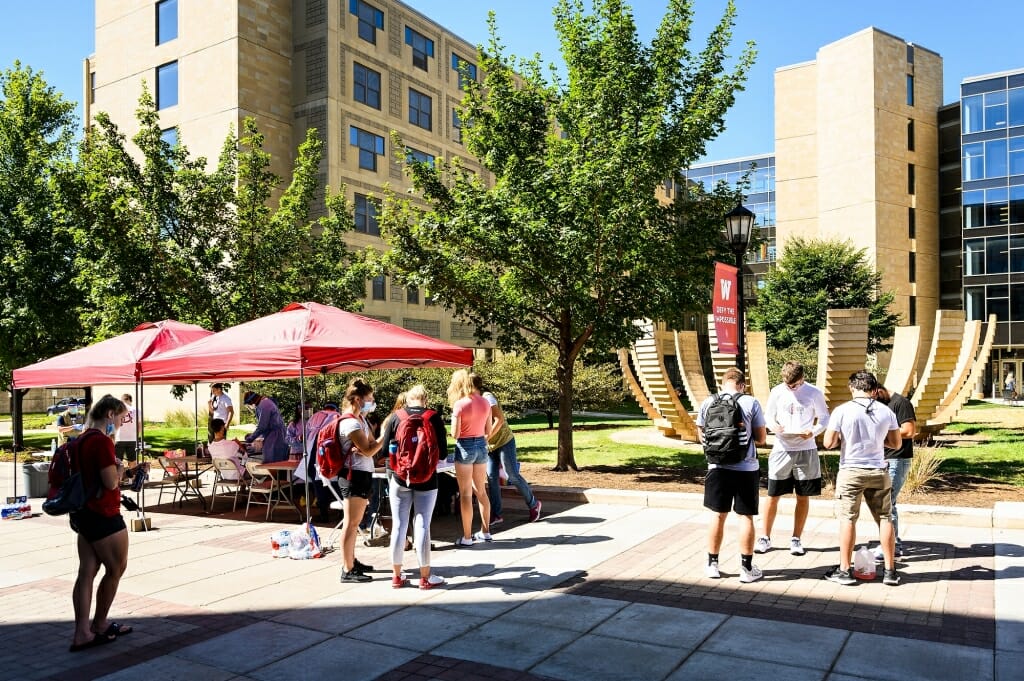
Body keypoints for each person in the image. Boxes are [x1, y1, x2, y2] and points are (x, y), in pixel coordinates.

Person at [822, 370, 902, 586]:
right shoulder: (886, 412)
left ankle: (845, 570)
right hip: (878, 470)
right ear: (874, 389)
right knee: (885, 518)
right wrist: (876, 441)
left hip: (851, 470)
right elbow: (896, 444)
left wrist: (844, 439)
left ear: (852, 388)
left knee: (848, 519)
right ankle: (890, 571)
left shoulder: (842, 411)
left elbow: (828, 443)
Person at [67, 394, 133, 652]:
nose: (119, 423)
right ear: (109, 414)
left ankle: (81, 632)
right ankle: (100, 624)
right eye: (119, 417)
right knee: (115, 570)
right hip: (105, 515)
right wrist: (120, 468)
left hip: (84, 515)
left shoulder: (81, 439)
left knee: (86, 573)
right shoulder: (101, 442)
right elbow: (110, 482)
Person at [695, 367, 767, 583]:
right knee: (745, 516)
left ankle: (712, 564)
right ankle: (746, 568)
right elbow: (761, 438)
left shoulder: (708, 402)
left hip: (717, 467)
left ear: (723, 383)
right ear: (742, 385)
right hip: (746, 468)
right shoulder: (751, 402)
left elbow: (702, 434)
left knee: (717, 515)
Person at [379, 384, 447, 589]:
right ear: (425, 399)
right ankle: (425, 577)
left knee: (399, 525)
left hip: (400, 477)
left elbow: (384, 451)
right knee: (423, 524)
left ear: (408, 400)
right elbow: (442, 453)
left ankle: (397, 576)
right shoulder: (433, 417)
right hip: (428, 478)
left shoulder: (396, 417)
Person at [758, 361, 830, 556]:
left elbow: (824, 418)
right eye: (788, 385)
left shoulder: (814, 392)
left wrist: (813, 431)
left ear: (802, 378)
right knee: (773, 495)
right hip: (782, 447)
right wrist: (773, 426)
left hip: (806, 448)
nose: (791, 388)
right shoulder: (777, 391)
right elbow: (768, 416)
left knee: (803, 495)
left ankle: (796, 538)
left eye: (795, 385)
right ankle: (765, 536)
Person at [473, 375, 541, 526]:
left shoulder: (487, 397)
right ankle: (496, 515)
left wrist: (486, 436)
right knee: (492, 478)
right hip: (490, 446)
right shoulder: (474, 401)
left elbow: (499, 420)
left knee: (512, 475)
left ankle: (534, 504)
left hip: (504, 441)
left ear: (473, 386)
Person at [332, 378, 382, 583]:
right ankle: (347, 568)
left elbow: (369, 446)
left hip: (361, 474)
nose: (372, 402)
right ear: (357, 399)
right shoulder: (351, 423)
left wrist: (371, 446)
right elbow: (370, 449)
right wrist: (386, 433)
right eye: (369, 399)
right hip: (353, 476)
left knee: (355, 522)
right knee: (351, 524)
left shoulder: (360, 420)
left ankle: (351, 560)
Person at [447, 369, 492, 546]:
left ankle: (467, 537)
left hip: (465, 446)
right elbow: (489, 431)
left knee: (465, 494)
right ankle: (486, 531)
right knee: (481, 490)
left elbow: (454, 433)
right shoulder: (486, 402)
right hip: (481, 445)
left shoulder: (460, 404)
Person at [873, 384, 917, 560]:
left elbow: (909, 430)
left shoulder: (901, 403)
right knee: (886, 502)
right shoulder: (876, 404)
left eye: (874, 398)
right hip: (882, 458)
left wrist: (881, 433)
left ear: (879, 390)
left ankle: (893, 545)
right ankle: (892, 541)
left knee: (887, 502)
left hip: (897, 459)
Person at [304, 402, 340, 523]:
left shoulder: (315, 416)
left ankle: (324, 514)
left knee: (318, 483)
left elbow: (306, 434)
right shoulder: (338, 416)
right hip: (332, 453)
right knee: (337, 483)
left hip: (315, 453)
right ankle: (341, 513)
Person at [242, 391, 288, 463]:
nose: (251, 406)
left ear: (252, 400)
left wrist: (251, 438)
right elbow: (265, 427)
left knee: (273, 463)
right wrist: (254, 435)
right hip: (274, 435)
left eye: (249, 404)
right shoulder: (264, 403)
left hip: (276, 438)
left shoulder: (265, 405)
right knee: (275, 463)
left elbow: (262, 427)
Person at [114, 394, 138, 469]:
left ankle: (118, 478)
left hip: (119, 438)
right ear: (131, 401)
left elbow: (113, 424)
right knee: (132, 461)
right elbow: (139, 426)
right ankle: (132, 479)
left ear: (121, 401)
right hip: (132, 439)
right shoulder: (136, 411)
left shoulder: (117, 410)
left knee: (117, 461)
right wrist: (137, 436)